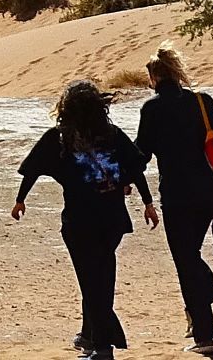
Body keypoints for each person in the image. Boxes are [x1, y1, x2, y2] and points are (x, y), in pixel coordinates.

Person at [14, 79, 154, 360]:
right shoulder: (112, 135)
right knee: (101, 276)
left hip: (80, 222)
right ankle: (89, 336)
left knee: (91, 281)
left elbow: (32, 169)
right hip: (113, 219)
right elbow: (137, 164)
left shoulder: (59, 138)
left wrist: (20, 200)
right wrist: (143, 198)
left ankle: (104, 346)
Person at [132, 45, 213, 353]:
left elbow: (142, 153)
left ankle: (205, 334)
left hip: (177, 195)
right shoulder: (203, 101)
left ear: (156, 75)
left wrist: (123, 176)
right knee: (189, 256)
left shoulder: (152, 109)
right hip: (210, 192)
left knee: (185, 260)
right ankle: (202, 329)